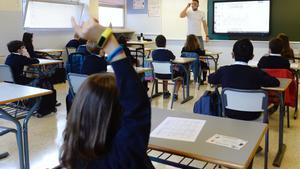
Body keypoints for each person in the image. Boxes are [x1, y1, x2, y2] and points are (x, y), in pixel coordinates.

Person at [60, 18, 154, 169]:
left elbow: (136, 105)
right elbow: (136, 105)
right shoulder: (123, 155)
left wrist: (106, 39)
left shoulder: (74, 155)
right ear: (119, 113)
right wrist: (107, 38)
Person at [208, 39, 280, 121]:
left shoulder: (224, 71)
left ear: (232, 55)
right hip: (253, 114)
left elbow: (210, 79)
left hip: (229, 113)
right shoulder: (257, 73)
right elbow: (275, 82)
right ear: (252, 56)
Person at [152, 35, 183, 100]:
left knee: (164, 72)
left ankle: (165, 92)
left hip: (157, 75)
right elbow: (174, 58)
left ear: (156, 43)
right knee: (180, 75)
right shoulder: (168, 52)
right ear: (165, 43)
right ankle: (175, 94)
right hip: (169, 75)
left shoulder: (153, 53)